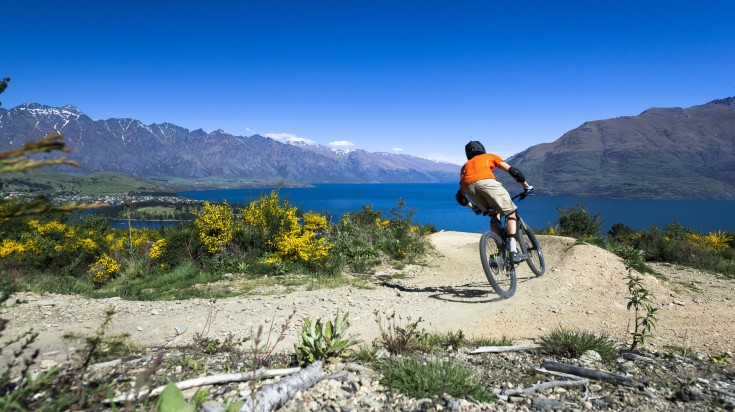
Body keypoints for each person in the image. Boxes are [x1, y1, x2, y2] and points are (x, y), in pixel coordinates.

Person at [455, 140, 534, 263]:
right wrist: (526, 186)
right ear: (482, 149)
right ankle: (513, 251)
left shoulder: (465, 167)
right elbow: (514, 172)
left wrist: (473, 207)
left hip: (469, 189)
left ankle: (500, 247)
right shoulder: (489, 157)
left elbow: (460, 197)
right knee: (511, 214)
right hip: (487, 184)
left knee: (494, 216)